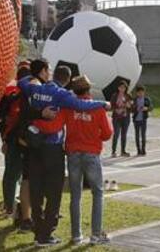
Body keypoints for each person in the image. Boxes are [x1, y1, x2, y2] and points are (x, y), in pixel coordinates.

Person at [17, 61, 108, 246]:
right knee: (60, 192)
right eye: (46, 69)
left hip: (45, 148)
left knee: (43, 190)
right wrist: (103, 104)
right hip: (60, 150)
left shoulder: (34, 89)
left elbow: (21, 81)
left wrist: (33, 77)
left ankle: (53, 234)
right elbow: (87, 111)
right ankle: (54, 234)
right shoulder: (62, 96)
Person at [63, 75, 113, 245]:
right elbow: (107, 134)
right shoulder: (97, 108)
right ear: (88, 89)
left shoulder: (69, 108)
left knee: (75, 195)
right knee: (97, 193)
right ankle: (96, 234)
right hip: (91, 153)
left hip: (73, 153)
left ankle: (76, 235)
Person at [0, 63, 32, 226]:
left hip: (9, 137)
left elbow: (1, 116)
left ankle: (9, 205)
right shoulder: (30, 90)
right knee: (22, 175)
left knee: (10, 173)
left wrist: (4, 140)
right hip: (24, 139)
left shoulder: (9, 89)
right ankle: (14, 206)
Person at [109, 82, 132, 157]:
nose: (122, 89)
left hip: (125, 117)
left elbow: (132, 106)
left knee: (124, 134)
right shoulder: (114, 96)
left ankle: (123, 151)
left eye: (124, 87)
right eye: (121, 87)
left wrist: (129, 106)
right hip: (116, 117)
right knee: (116, 134)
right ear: (118, 88)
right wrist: (116, 110)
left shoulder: (128, 96)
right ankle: (113, 151)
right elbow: (111, 106)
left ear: (126, 88)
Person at [132, 85, 152, 156]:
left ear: (144, 92)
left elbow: (151, 107)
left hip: (143, 119)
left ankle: (143, 149)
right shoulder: (134, 100)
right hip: (136, 120)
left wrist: (146, 108)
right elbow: (131, 109)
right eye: (139, 92)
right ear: (137, 93)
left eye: (142, 92)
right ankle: (138, 150)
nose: (140, 94)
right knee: (137, 135)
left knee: (143, 135)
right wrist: (135, 108)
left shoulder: (147, 99)